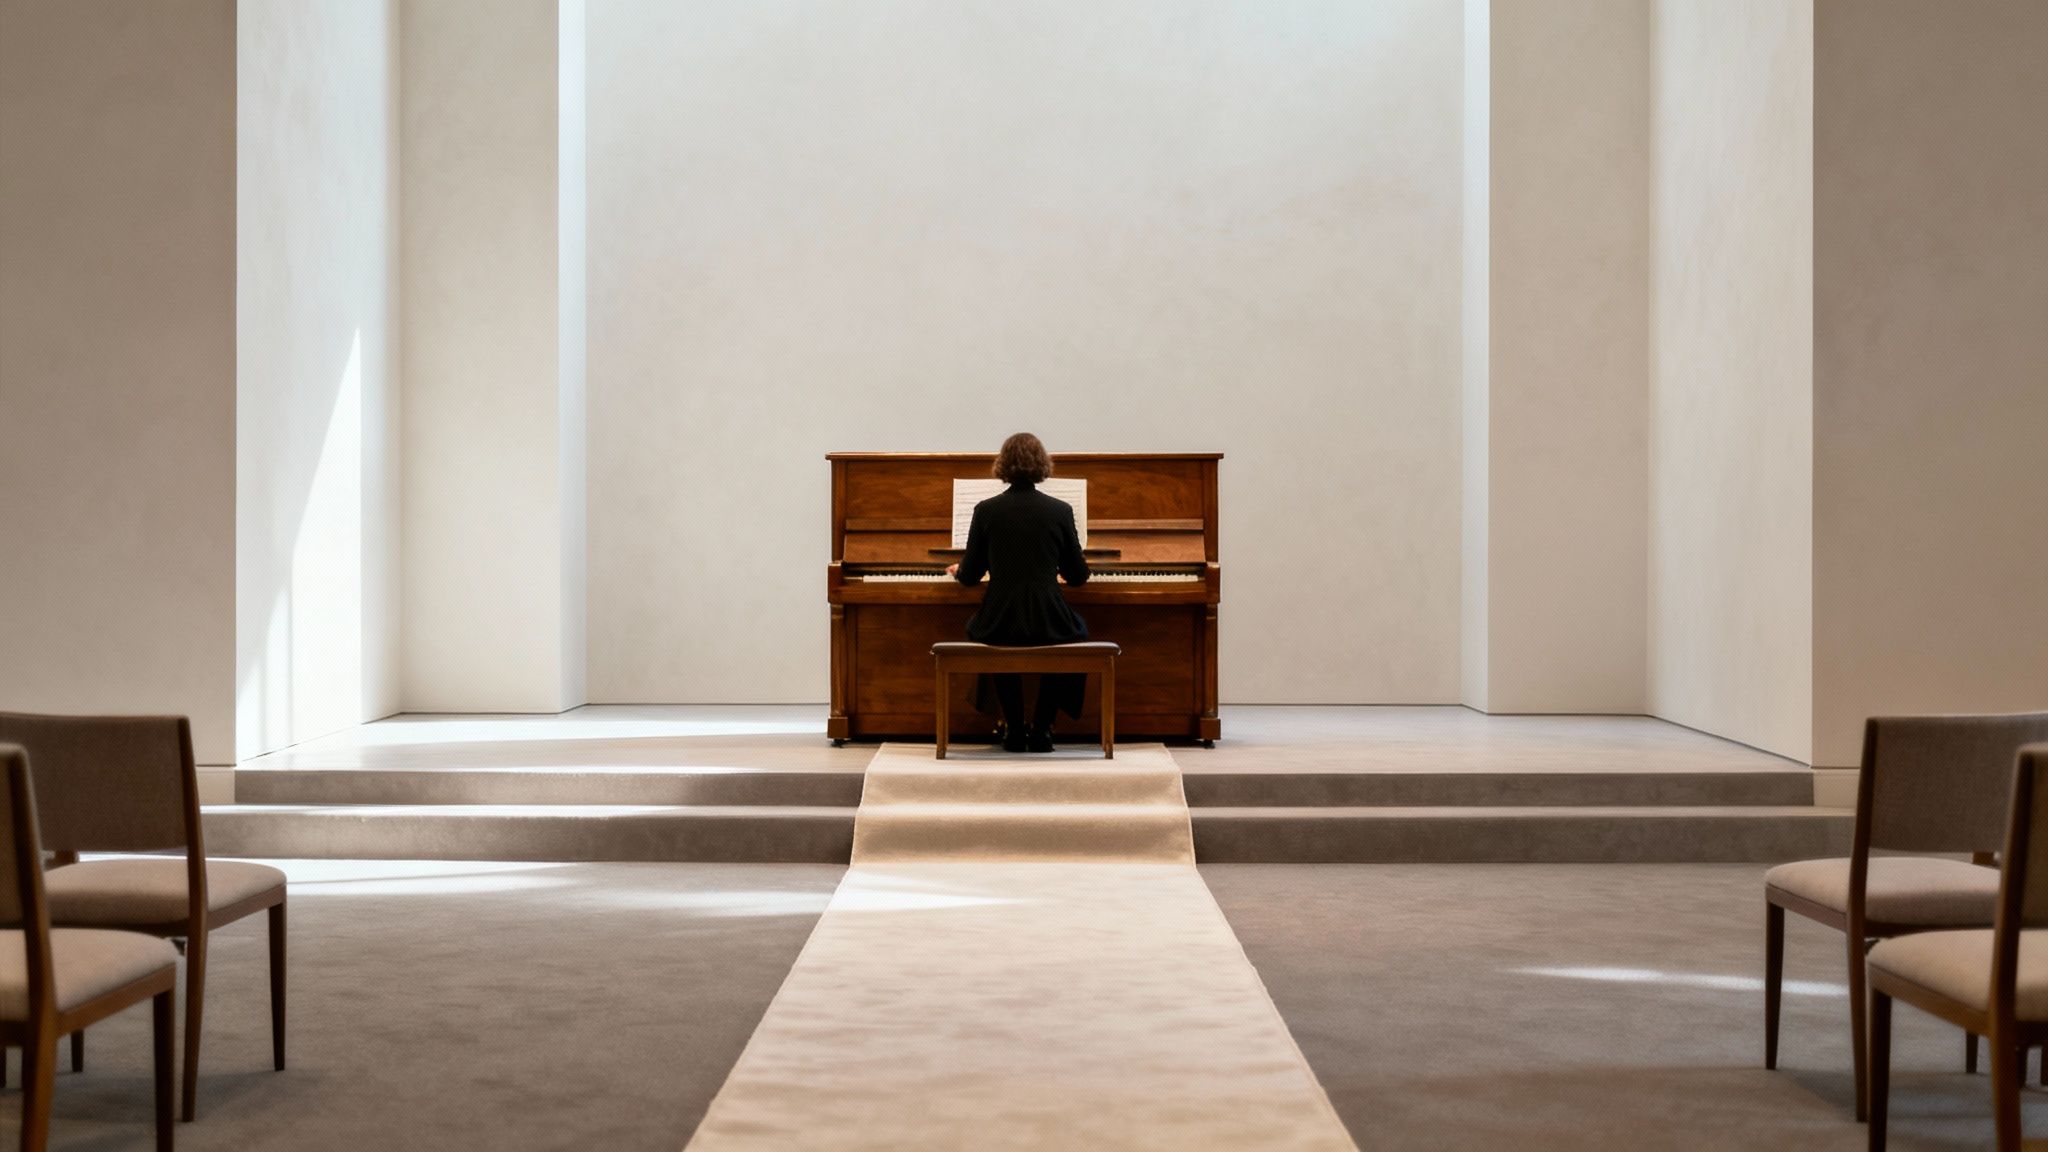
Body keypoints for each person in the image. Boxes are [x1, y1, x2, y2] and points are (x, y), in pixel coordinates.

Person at [947, 432, 1090, 752]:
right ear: (1042, 465)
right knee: (1073, 635)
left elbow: (969, 576)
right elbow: (1077, 576)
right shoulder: (1060, 511)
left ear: (1003, 466)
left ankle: (1013, 729)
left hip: (1000, 617)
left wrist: (959, 570)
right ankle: (1042, 729)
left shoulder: (986, 510)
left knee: (995, 639)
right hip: (1047, 616)